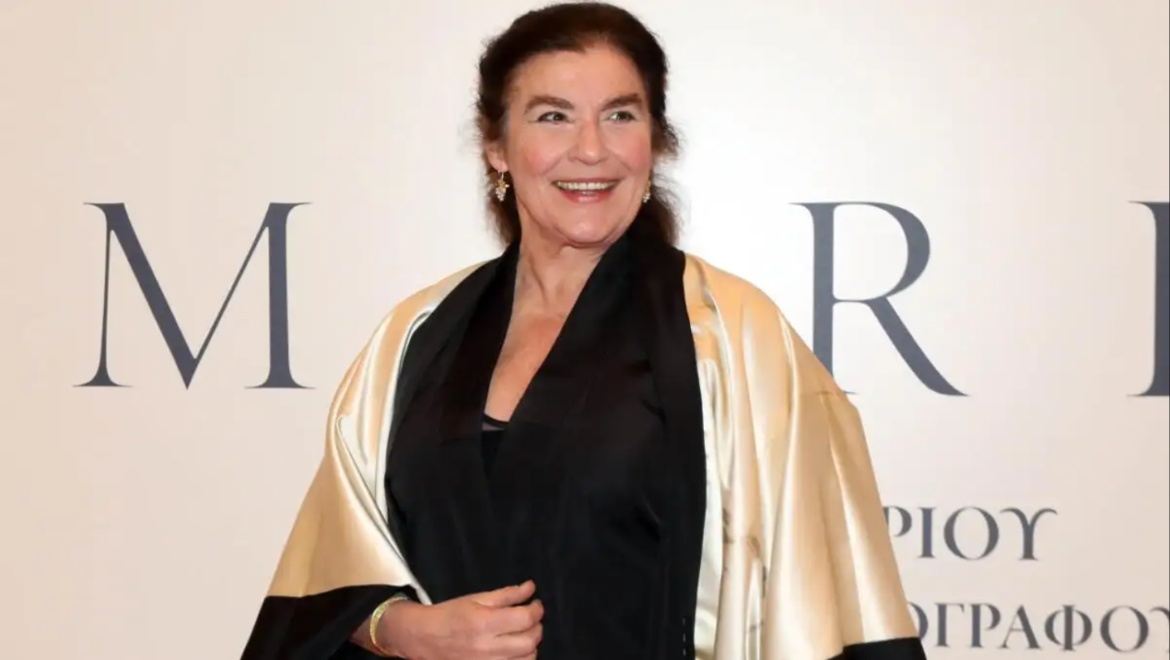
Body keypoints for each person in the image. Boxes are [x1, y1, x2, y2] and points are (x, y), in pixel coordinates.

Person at [240, 3, 927, 659]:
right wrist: (401, 631)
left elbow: (815, 605)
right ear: (497, 148)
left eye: (620, 115)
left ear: (654, 141)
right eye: (553, 117)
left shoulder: (733, 337)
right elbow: (325, 583)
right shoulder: (416, 336)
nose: (592, 149)